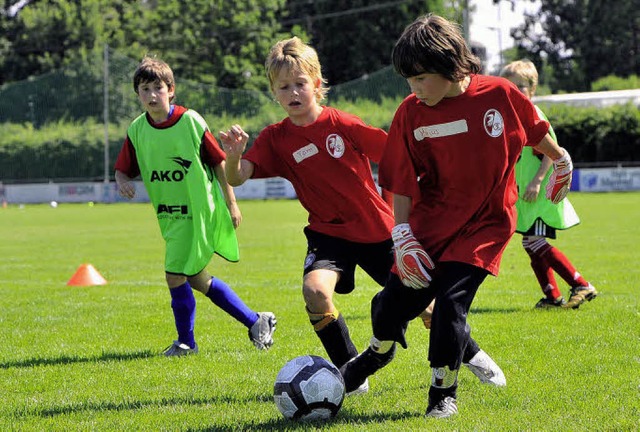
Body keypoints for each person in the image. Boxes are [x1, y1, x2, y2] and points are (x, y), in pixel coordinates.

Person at [220, 36, 504, 395]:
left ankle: (473, 354)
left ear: (317, 84)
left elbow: (397, 156)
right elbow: (236, 176)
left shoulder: (342, 124)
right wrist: (232, 155)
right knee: (314, 292)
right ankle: (351, 375)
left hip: (377, 231)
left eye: (300, 84)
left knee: (427, 309)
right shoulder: (276, 139)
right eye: (283, 87)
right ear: (274, 93)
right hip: (328, 235)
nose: (293, 92)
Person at [339, 14, 574, 418]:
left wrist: (560, 160)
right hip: (430, 222)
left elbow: (536, 129)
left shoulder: (499, 95)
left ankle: (442, 393)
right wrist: (402, 235)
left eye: (420, 79)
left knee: (450, 304)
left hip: (485, 223)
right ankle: (378, 353)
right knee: (393, 301)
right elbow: (400, 179)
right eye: (408, 81)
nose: (413, 89)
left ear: (449, 65)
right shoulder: (411, 112)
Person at [114, 56, 276, 357]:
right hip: (169, 217)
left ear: (171, 90)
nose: (151, 95)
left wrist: (232, 204)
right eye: (144, 89)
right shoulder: (137, 130)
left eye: (158, 88)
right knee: (198, 279)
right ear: (137, 94)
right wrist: (121, 180)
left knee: (174, 274)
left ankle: (186, 343)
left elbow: (219, 164)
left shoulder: (190, 121)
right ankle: (256, 321)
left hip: (199, 213)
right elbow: (122, 168)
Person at [500, 59, 598, 309]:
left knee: (534, 242)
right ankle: (552, 297)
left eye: (520, 86)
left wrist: (536, 181)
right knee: (531, 243)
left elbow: (552, 152)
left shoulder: (533, 114)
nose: (515, 91)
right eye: (509, 86)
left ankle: (581, 284)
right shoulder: (513, 117)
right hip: (527, 196)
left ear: (532, 89)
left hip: (541, 193)